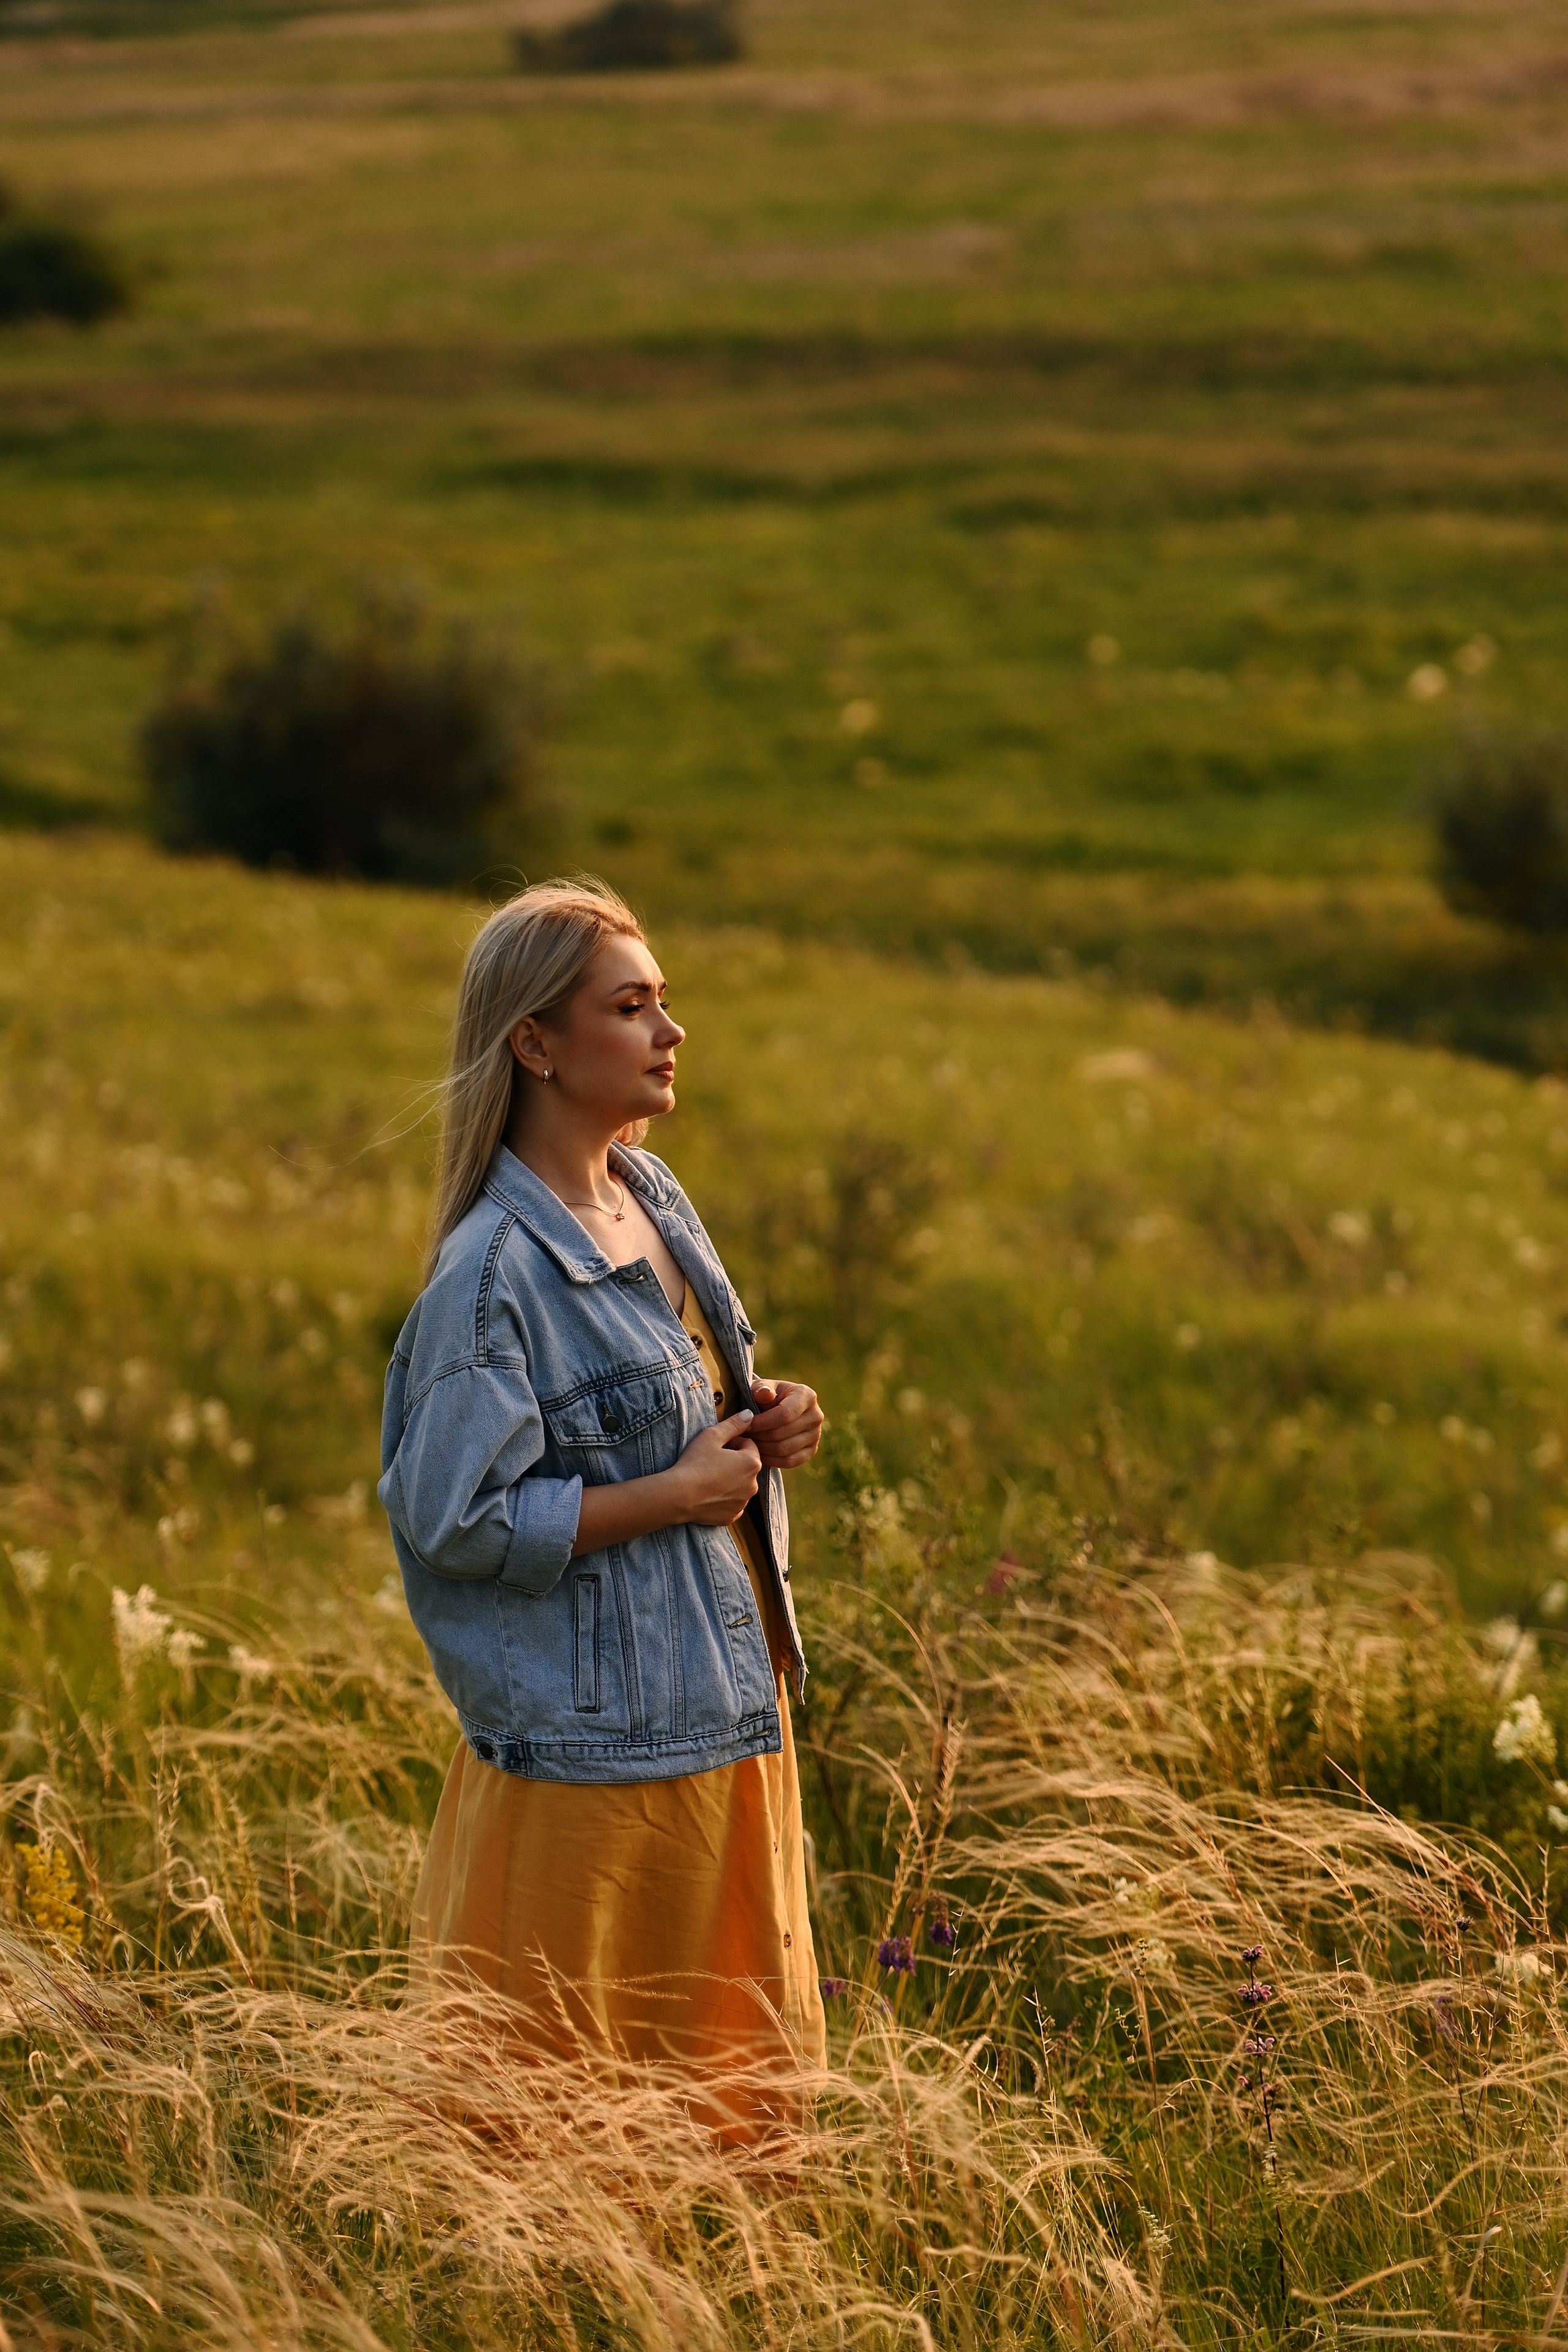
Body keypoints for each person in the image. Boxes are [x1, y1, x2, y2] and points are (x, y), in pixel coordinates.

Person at [379, 876, 827, 2133]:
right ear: (533, 1044)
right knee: (565, 2135)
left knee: (725, 2126)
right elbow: (453, 1523)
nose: (669, 1034)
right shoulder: (487, 1282)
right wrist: (670, 1494)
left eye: (662, 1003)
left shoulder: (652, 1194)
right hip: (592, 1769)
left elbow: (670, 1396)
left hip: (723, 1720)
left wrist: (767, 1413)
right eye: (630, 1008)